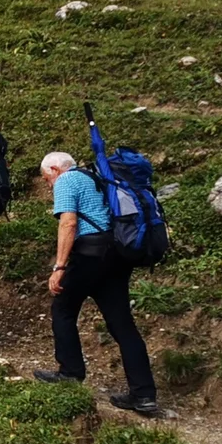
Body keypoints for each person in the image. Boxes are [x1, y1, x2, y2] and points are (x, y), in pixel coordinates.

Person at [31, 150, 160, 416]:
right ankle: (144, 394)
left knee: (63, 309)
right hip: (115, 255)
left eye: (46, 179)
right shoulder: (95, 177)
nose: (48, 185)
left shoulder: (67, 180)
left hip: (90, 253)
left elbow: (68, 224)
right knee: (122, 323)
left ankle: (70, 372)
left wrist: (59, 267)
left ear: (55, 169)